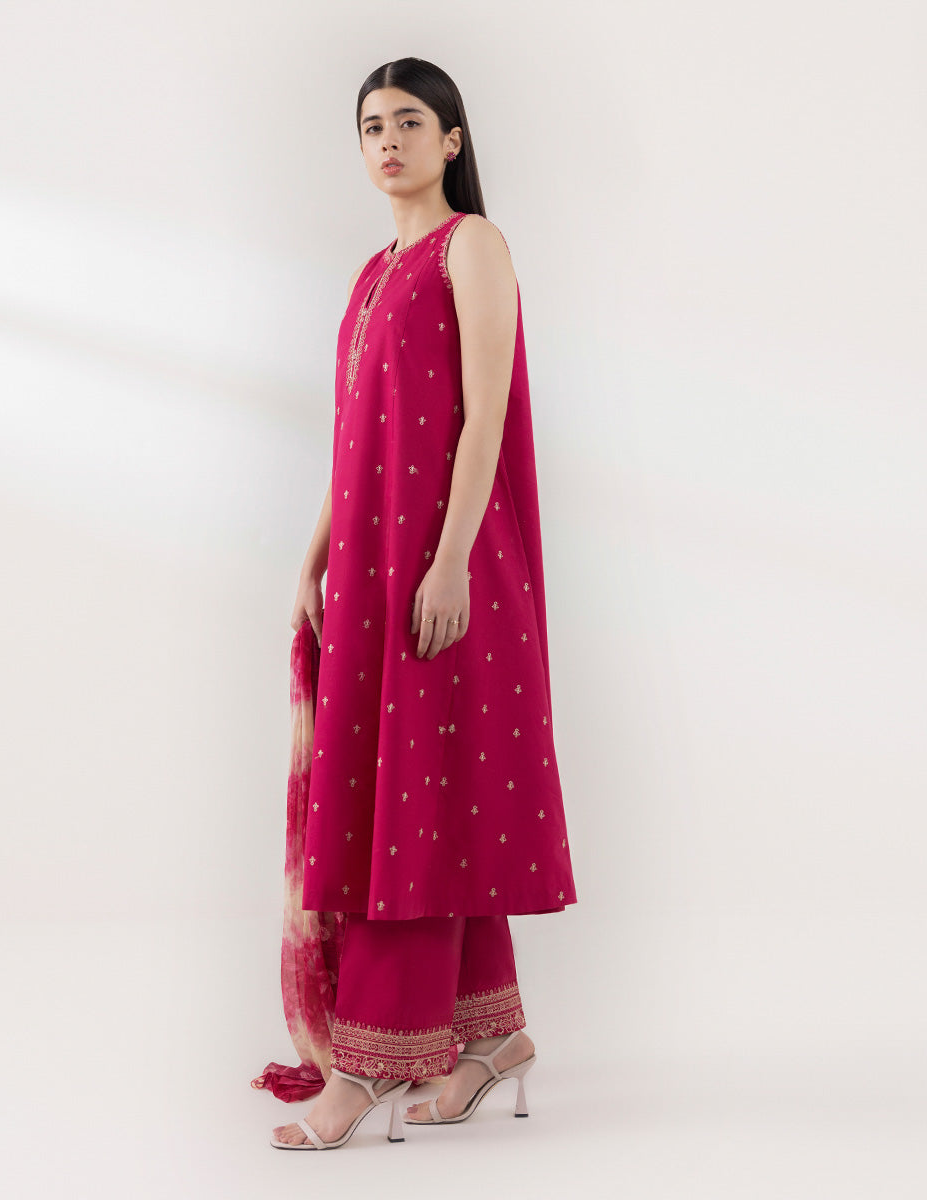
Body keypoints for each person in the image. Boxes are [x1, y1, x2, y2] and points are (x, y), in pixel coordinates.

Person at [272, 57, 577, 1151]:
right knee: (427, 790)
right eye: (371, 126)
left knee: (414, 797)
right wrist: (313, 558)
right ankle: (492, 1039)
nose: (388, 140)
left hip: (447, 568)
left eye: (410, 122)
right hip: (369, 567)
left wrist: (447, 564)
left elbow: (483, 418)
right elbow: (354, 438)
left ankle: (370, 1062)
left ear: (452, 141)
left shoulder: (471, 246)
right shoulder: (372, 273)